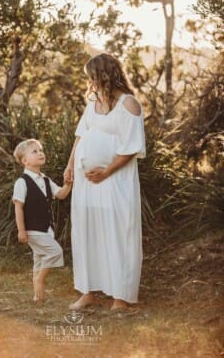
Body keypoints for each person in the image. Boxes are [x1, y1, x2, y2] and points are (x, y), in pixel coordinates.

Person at [64, 53, 146, 311]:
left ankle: (120, 296)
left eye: (92, 76)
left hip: (115, 180)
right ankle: (88, 291)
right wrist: (70, 165)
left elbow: (132, 147)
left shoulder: (128, 104)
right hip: (87, 181)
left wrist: (107, 171)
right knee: (87, 231)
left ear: (105, 75)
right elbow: (81, 135)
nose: (89, 81)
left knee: (118, 232)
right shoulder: (93, 102)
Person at [13, 138, 72, 305]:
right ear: (25, 161)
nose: (40, 153)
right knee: (55, 252)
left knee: (39, 260)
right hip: (32, 229)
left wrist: (68, 184)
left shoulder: (45, 179)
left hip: (46, 229)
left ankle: (38, 297)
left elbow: (61, 194)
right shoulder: (22, 182)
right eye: (34, 151)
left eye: (40, 150)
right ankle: (40, 280)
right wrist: (21, 230)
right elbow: (18, 207)